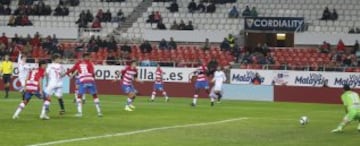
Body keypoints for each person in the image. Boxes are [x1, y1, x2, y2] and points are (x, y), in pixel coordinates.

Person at [66, 53, 102, 117]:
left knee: (79, 96)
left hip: (83, 80)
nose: (88, 58)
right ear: (85, 57)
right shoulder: (90, 63)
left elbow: (72, 69)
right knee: (95, 96)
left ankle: (80, 113)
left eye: (88, 57)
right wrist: (92, 77)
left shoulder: (78, 63)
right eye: (87, 57)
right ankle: (99, 112)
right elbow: (92, 73)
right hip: (90, 80)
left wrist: (65, 74)